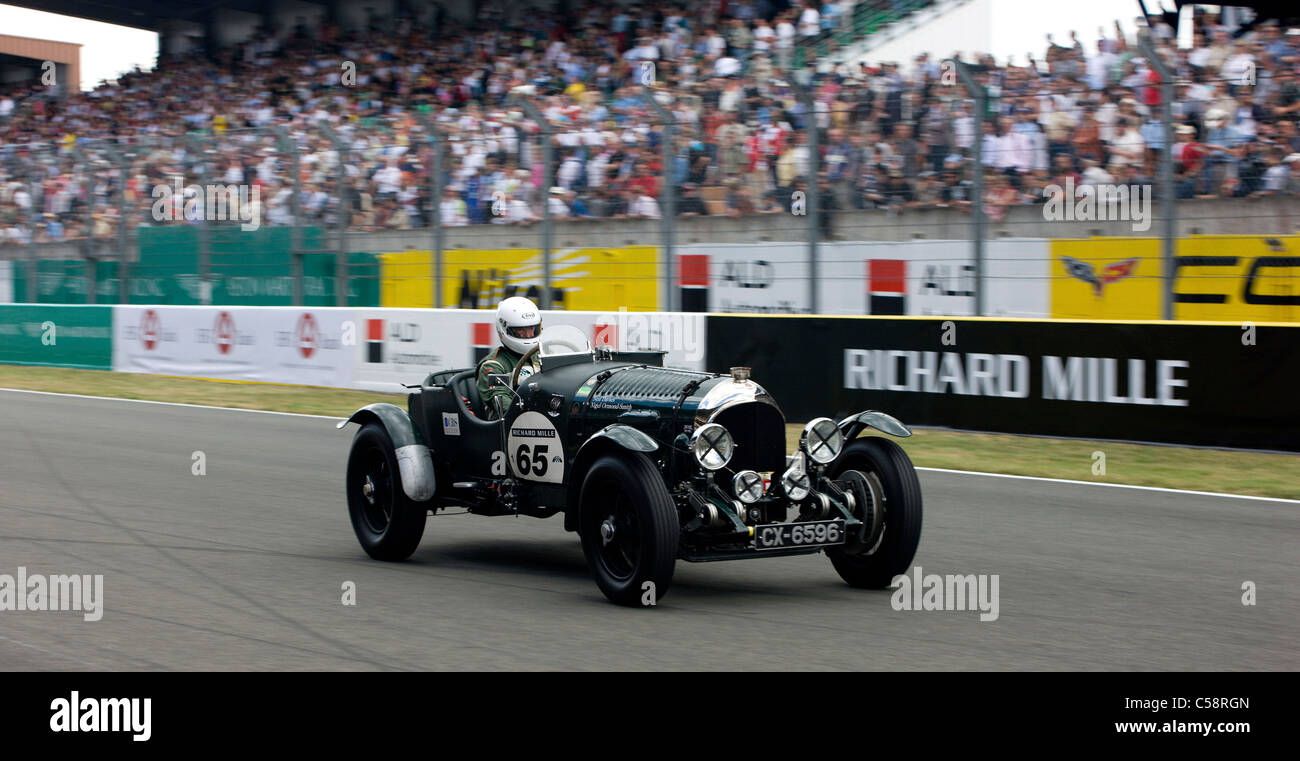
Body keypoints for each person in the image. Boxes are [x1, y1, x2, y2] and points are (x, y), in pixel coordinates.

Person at [476, 297, 542, 419]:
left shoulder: (543, 356)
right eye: (521, 330)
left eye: (532, 328)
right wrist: (534, 412)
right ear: (505, 329)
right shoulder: (493, 365)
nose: (528, 335)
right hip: (509, 428)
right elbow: (502, 403)